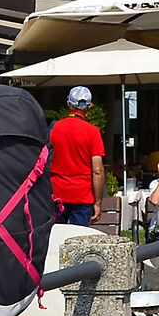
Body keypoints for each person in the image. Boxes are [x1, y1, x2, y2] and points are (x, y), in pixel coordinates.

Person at [48, 86, 106, 227]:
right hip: (82, 195)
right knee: (79, 242)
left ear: (68, 103)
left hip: (56, 193)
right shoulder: (93, 132)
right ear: (90, 107)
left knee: (55, 238)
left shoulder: (54, 128)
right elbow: (97, 170)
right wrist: (98, 202)